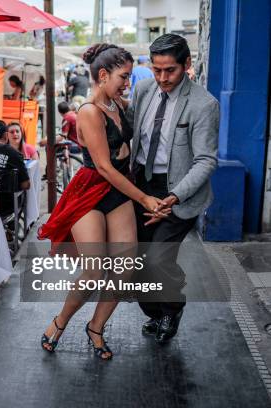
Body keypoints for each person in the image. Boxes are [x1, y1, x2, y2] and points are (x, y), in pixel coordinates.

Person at [37, 44, 167, 359]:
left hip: (120, 191)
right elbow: (105, 167)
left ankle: (96, 327)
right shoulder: (88, 111)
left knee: (124, 268)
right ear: (104, 74)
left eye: (130, 76)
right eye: (123, 77)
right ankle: (60, 322)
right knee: (94, 270)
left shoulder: (119, 105)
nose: (128, 83)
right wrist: (145, 198)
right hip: (91, 191)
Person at [127, 34, 219, 343]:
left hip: (180, 190)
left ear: (187, 65)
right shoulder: (142, 90)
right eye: (156, 70)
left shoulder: (204, 104)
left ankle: (172, 307)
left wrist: (173, 197)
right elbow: (128, 132)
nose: (162, 78)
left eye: (170, 71)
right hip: (141, 186)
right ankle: (157, 312)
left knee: (157, 259)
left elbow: (206, 161)